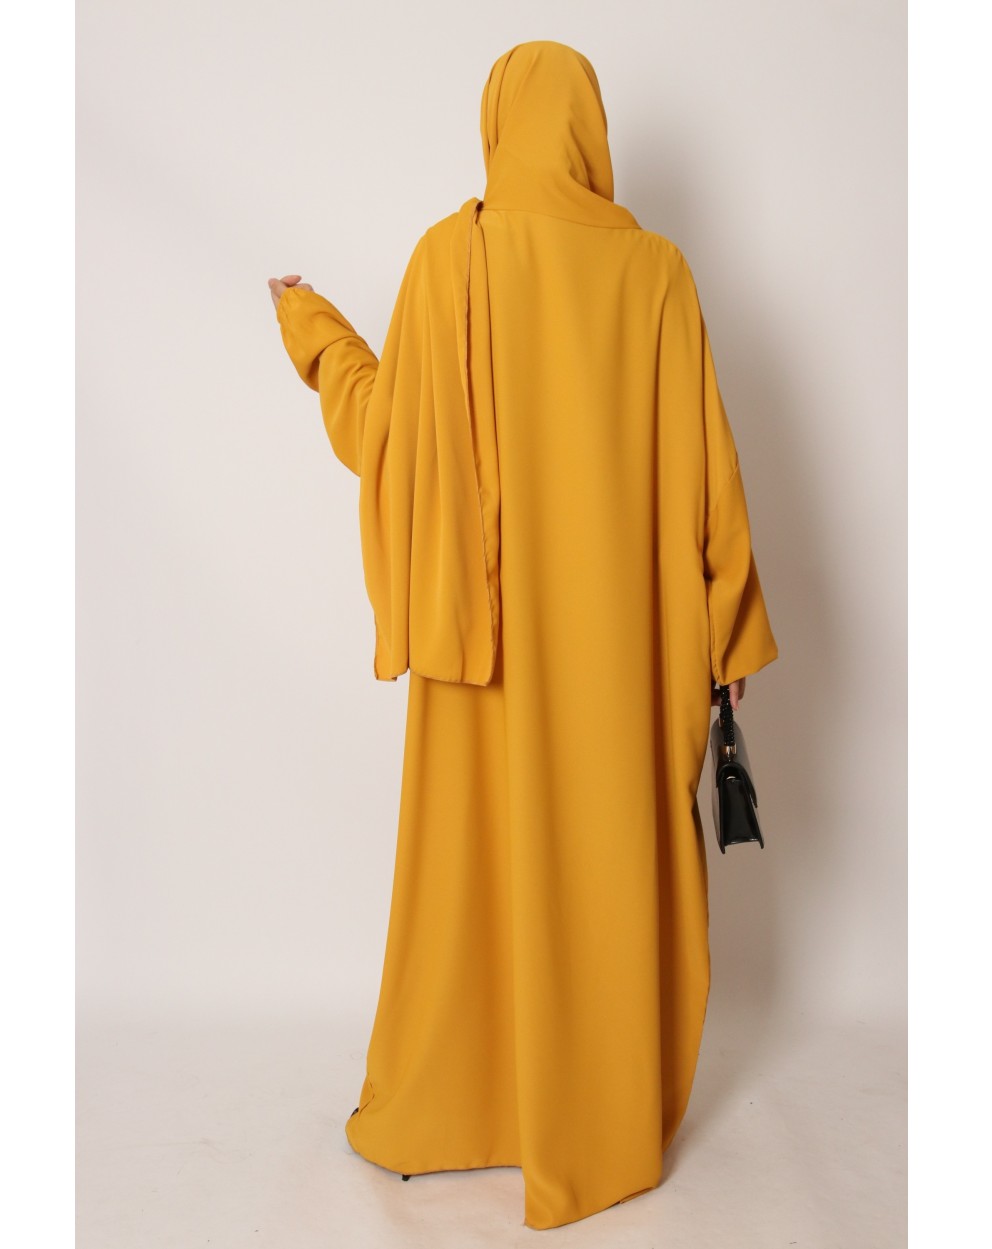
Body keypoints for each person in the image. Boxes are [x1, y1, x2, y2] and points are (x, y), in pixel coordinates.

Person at [268, 39, 778, 1233]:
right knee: (599, 872)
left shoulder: (449, 260)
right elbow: (712, 476)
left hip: (481, 659)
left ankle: (457, 1112)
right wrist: (727, 636)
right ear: (588, 134)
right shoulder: (656, 274)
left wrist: (313, 331)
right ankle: (595, 1125)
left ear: (496, 127)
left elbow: (386, 440)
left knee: (477, 880)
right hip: (621, 663)